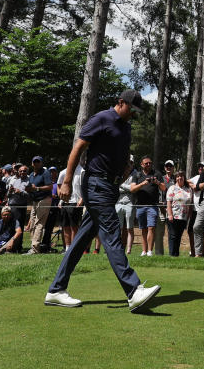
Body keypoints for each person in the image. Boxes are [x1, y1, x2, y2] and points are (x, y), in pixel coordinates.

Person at [46, 89, 160, 312]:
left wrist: (124, 169)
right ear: (120, 102)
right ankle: (133, 289)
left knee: (82, 239)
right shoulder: (102, 118)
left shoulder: (126, 127)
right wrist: (67, 181)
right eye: (131, 109)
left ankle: (56, 289)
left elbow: (118, 155)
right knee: (111, 232)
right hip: (95, 184)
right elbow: (78, 147)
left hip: (110, 186)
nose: (133, 114)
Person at [133, 156, 165, 257]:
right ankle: (144, 250)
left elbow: (164, 188)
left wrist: (157, 182)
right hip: (140, 206)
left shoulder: (157, 174)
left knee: (151, 227)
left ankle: (150, 251)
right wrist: (142, 183)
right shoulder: (137, 175)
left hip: (152, 205)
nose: (148, 165)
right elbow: (132, 189)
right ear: (142, 165)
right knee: (143, 229)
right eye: (146, 163)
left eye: (150, 163)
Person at [25, 156, 53, 254]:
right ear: (32, 163)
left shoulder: (45, 173)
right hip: (35, 200)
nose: (36, 164)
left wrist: (37, 188)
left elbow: (50, 186)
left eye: (38, 162)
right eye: (34, 162)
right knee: (32, 223)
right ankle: (33, 246)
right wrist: (28, 189)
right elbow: (30, 188)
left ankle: (35, 248)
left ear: (41, 163)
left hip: (44, 200)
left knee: (39, 223)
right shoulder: (31, 175)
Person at [116, 157, 141, 255]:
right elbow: (116, 187)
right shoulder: (120, 172)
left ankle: (129, 250)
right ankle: (118, 248)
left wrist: (122, 186)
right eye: (127, 162)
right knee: (119, 228)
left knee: (130, 228)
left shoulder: (136, 174)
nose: (128, 164)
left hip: (130, 203)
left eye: (130, 162)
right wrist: (127, 187)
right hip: (118, 202)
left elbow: (133, 189)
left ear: (133, 163)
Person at [57, 161, 84, 249]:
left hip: (75, 203)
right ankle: (67, 248)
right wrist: (61, 199)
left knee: (74, 227)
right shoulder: (63, 172)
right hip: (64, 202)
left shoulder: (82, 171)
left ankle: (73, 248)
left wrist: (82, 198)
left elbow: (86, 186)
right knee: (65, 227)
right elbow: (59, 185)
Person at [165, 171, 192, 257]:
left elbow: (190, 204)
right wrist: (170, 215)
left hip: (183, 217)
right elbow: (168, 202)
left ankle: (176, 255)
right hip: (173, 216)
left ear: (184, 178)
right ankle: (172, 254)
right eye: (177, 176)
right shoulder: (172, 188)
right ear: (175, 178)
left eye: (181, 176)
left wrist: (188, 218)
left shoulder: (188, 189)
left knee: (178, 236)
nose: (179, 178)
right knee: (173, 235)